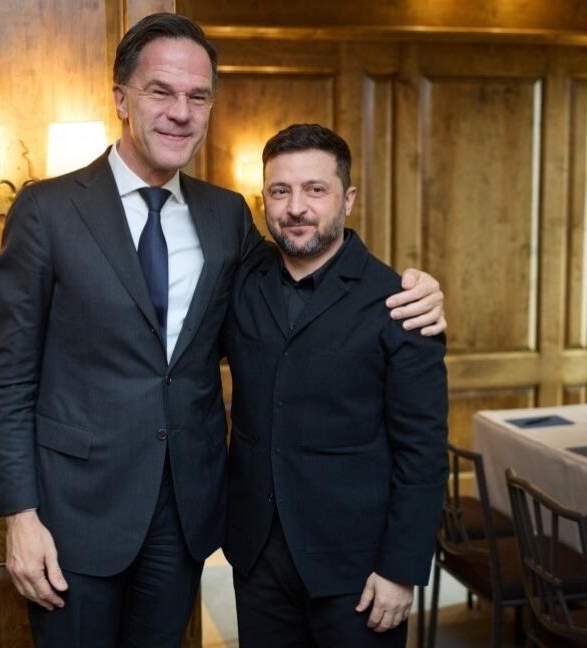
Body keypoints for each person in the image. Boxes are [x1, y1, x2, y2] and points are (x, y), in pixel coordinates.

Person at [0, 13, 446, 648]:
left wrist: (415, 291)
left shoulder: (225, 214)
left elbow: (303, 284)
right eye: (161, 91)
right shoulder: (47, 209)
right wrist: (20, 514)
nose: (181, 112)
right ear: (121, 98)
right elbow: (10, 379)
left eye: (198, 96)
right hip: (74, 517)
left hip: (185, 515)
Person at [223, 123, 448, 648]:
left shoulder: (400, 303)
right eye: (280, 191)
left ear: (348, 199)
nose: (295, 207)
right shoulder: (240, 281)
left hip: (359, 571)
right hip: (258, 558)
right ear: (263, 200)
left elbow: (423, 452)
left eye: (315, 189)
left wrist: (400, 570)